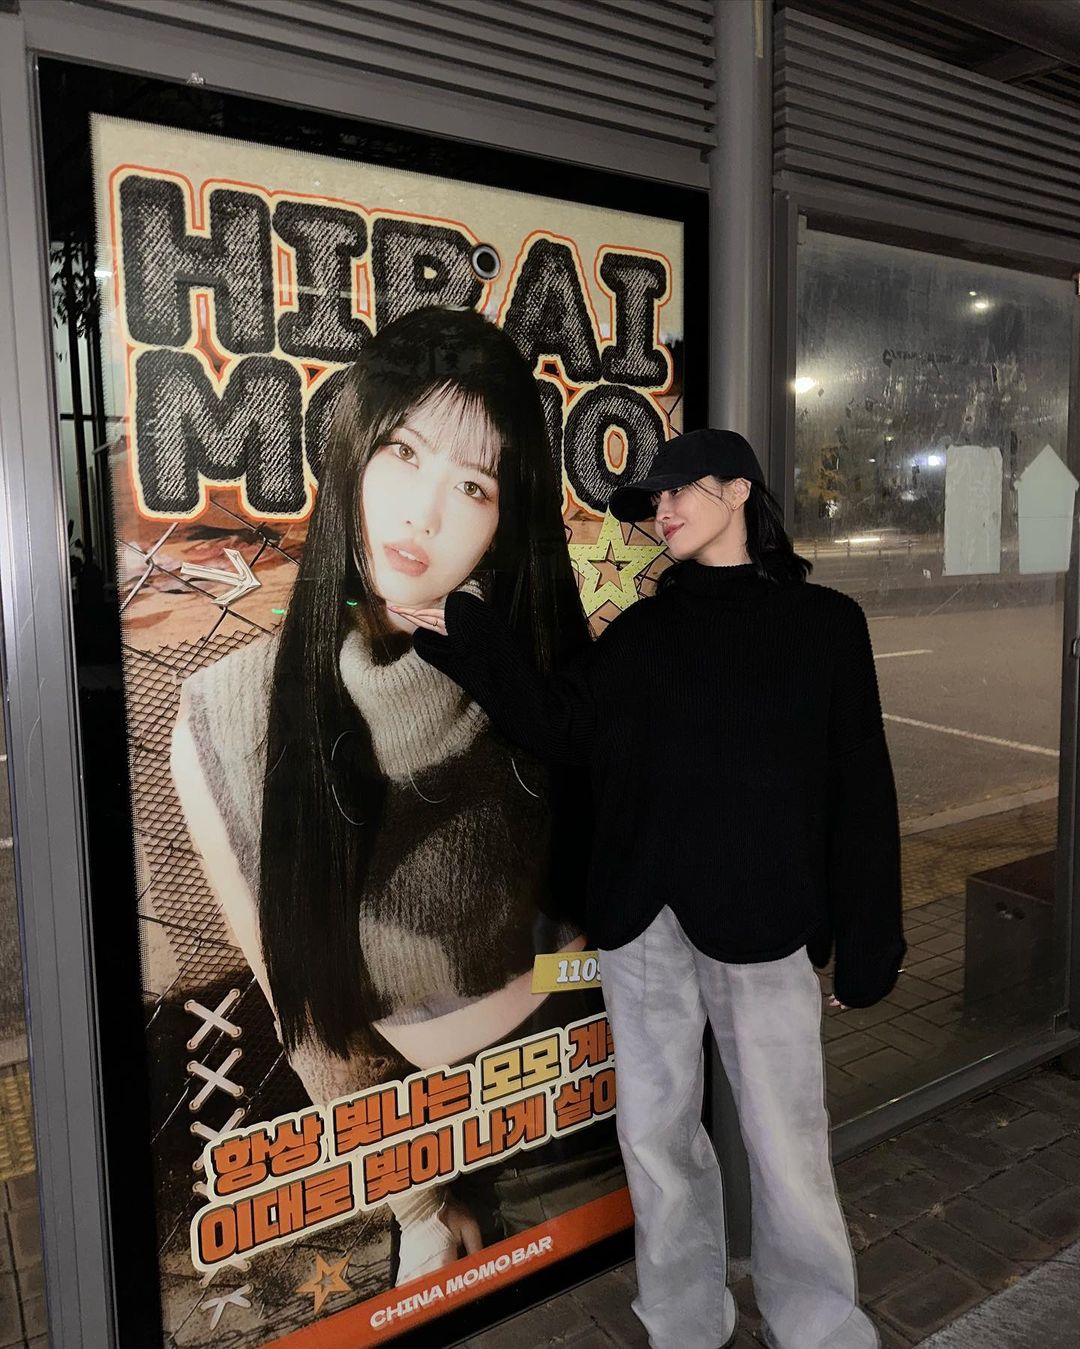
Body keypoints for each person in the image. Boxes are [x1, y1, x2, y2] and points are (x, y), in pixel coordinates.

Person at [397, 427, 905, 1349]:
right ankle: (683, 1320)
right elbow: (558, 726)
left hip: (764, 918)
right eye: (653, 501)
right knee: (656, 1139)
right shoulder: (642, 631)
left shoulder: (825, 624)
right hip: (644, 922)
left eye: (678, 491)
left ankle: (819, 1321)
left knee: (787, 1140)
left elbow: (860, 788)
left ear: (739, 490)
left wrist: (869, 937)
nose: (661, 511)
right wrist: (467, 634)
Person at [170, 306, 619, 1288]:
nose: (425, 513)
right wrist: (414, 1193)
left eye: (474, 485)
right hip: (421, 1126)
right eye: (403, 453)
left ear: (504, 523)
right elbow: (304, 1011)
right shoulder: (231, 714)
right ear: (350, 457)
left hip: (581, 1092)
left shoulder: (541, 666)